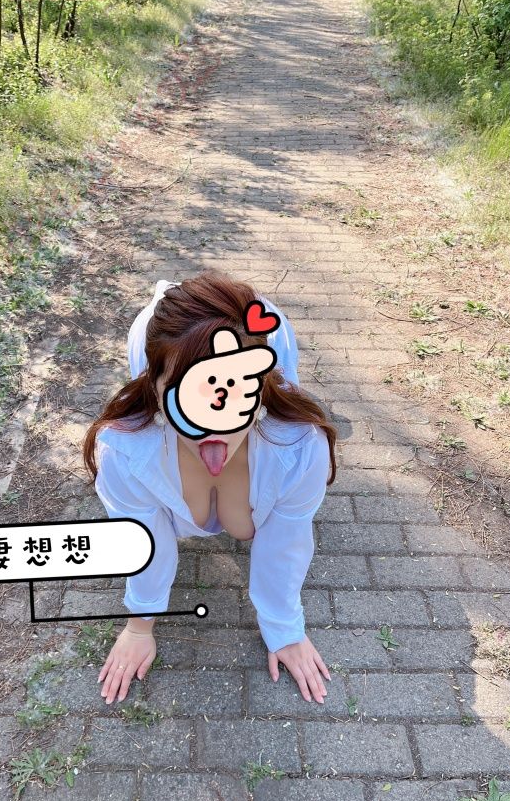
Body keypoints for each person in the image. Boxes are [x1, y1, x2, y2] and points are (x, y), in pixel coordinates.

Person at [82, 270, 338, 706]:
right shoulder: (124, 452)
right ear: (155, 389)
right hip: (164, 344)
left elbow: (286, 542)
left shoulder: (299, 450)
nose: (210, 425)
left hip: (259, 331)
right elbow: (143, 538)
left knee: (254, 518)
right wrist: (140, 626)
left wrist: (284, 628)